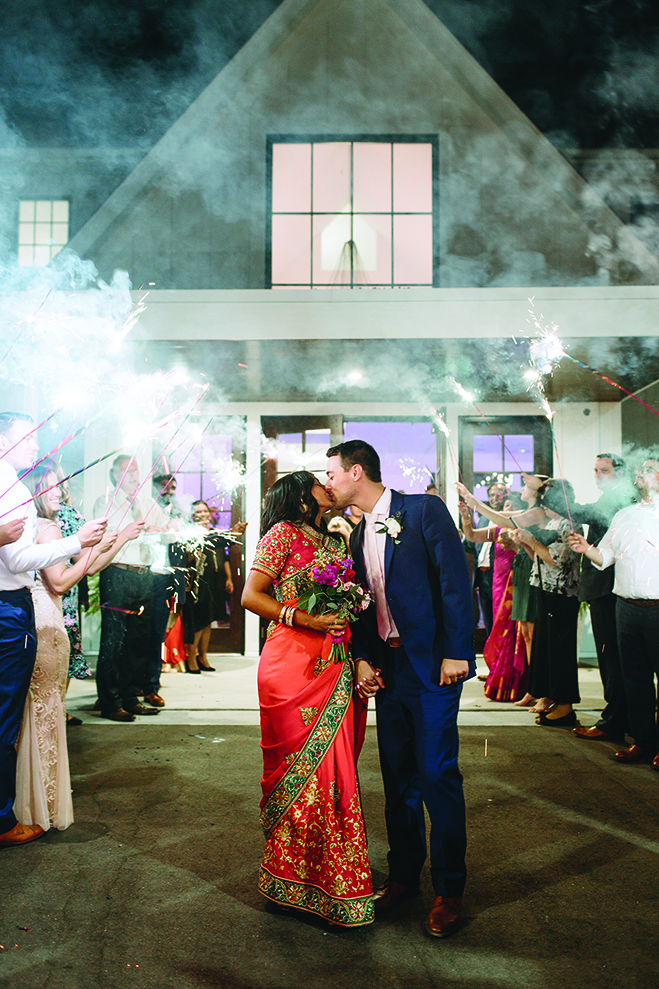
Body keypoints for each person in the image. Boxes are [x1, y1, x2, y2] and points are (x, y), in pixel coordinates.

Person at [325, 440, 474, 938]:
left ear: (356, 472)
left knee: (436, 775)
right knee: (398, 780)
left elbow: (456, 582)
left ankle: (450, 890)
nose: (328, 484)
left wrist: (457, 651)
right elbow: (364, 605)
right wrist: (364, 657)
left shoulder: (423, 509)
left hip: (432, 667)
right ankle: (404, 878)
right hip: (388, 671)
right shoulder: (355, 534)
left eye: (332, 474)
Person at [241, 471, 374, 927]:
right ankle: (288, 873)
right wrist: (304, 619)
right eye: (318, 482)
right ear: (301, 497)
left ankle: (330, 875)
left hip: (334, 660)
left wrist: (356, 657)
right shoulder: (281, 535)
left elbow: (346, 606)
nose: (327, 486)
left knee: (333, 772)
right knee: (300, 771)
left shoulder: (337, 540)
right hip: (290, 663)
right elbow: (250, 596)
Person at [14, 463, 141, 832]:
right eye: (51, 489)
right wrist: (89, 547)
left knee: (42, 707)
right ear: (36, 492)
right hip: (46, 621)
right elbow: (61, 582)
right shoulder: (46, 527)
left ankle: (33, 798)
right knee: (44, 708)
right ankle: (37, 801)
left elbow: (86, 568)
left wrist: (115, 542)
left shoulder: (38, 527)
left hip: (46, 619)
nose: (59, 494)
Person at [0, 412, 106, 846]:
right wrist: (75, 541)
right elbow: (19, 561)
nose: (34, 446)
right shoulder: (16, 488)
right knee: (6, 721)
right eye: (25, 437)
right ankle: (4, 820)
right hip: (9, 610)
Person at [568, 458, 659, 768]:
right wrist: (585, 548)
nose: (639, 474)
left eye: (648, 468)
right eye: (640, 469)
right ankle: (645, 742)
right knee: (634, 680)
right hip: (626, 607)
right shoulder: (625, 515)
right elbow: (604, 555)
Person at [93, 456, 171, 720]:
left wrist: (167, 529)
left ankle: (131, 695)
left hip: (143, 575)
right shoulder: (105, 502)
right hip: (117, 572)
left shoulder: (147, 502)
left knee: (139, 638)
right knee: (114, 639)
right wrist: (142, 530)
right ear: (115, 475)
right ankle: (109, 701)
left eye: (137, 470)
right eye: (127, 471)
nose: (133, 475)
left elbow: (168, 532)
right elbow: (107, 538)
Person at [570, 454, 636, 742]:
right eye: (595, 470)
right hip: (607, 588)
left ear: (620, 473)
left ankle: (614, 721)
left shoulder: (616, 499)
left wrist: (552, 496)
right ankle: (627, 719)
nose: (598, 475)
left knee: (612, 659)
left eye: (604, 470)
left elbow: (582, 513)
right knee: (616, 660)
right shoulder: (616, 497)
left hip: (609, 589)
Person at [513, 479, 582, 726]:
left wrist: (532, 542)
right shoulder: (552, 522)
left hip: (562, 594)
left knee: (560, 652)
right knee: (546, 651)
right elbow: (538, 559)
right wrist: (525, 543)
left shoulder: (569, 524)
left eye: (548, 499)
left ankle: (565, 705)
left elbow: (558, 561)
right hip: (544, 589)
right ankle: (551, 697)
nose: (544, 504)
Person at [458, 502, 528, 702]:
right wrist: (465, 517)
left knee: (513, 632)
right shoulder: (497, 529)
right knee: (496, 629)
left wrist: (514, 545)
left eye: (509, 506)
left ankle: (516, 680)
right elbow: (471, 535)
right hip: (496, 584)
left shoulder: (521, 530)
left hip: (514, 583)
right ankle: (498, 672)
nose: (504, 510)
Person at [181, 500, 233, 673]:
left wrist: (229, 578)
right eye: (199, 512)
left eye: (205, 511)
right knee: (197, 621)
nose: (203, 514)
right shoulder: (189, 533)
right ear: (192, 515)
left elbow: (225, 559)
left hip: (215, 580)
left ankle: (203, 656)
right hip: (197, 582)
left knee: (209, 620)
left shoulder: (215, 533)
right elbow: (186, 559)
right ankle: (191, 658)